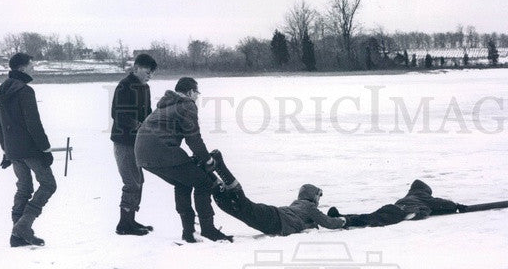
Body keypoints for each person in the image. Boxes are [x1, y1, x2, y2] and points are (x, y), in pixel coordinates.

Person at [134, 76, 231, 243]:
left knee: (183, 182)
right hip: (161, 152)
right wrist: (207, 160)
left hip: (143, 154)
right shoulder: (187, 105)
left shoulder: (167, 104)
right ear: (191, 92)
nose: (197, 97)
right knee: (204, 183)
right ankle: (208, 230)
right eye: (197, 93)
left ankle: (188, 231)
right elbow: (193, 138)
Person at [0, 52, 57, 247]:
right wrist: (45, 149)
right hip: (30, 150)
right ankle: (23, 225)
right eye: (32, 65)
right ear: (22, 68)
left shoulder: (3, 90)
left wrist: (6, 150)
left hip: (13, 150)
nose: (33, 68)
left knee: (24, 188)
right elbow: (33, 124)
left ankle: (17, 236)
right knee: (48, 185)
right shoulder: (25, 91)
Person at [207, 150, 346, 236]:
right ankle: (220, 166)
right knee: (242, 205)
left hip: (272, 218)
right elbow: (328, 222)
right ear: (311, 196)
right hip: (275, 220)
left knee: (234, 208)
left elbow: (307, 222)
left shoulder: (298, 206)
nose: (318, 200)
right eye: (317, 195)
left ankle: (210, 177)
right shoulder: (309, 207)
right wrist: (342, 221)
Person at [110, 52, 157, 235]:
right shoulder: (124, 86)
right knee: (131, 182)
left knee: (139, 180)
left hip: (138, 142)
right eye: (147, 70)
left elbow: (148, 112)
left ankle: (131, 221)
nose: (150, 75)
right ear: (136, 68)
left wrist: (153, 124)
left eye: (152, 72)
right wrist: (139, 126)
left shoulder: (145, 88)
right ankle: (123, 225)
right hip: (124, 142)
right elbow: (118, 115)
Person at [326, 179, 465, 228]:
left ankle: (343, 217)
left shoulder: (409, 195)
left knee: (369, 216)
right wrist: (456, 206)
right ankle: (345, 220)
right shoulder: (423, 197)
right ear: (425, 191)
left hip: (392, 207)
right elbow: (444, 205)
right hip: (402, 211)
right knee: (373, 219)